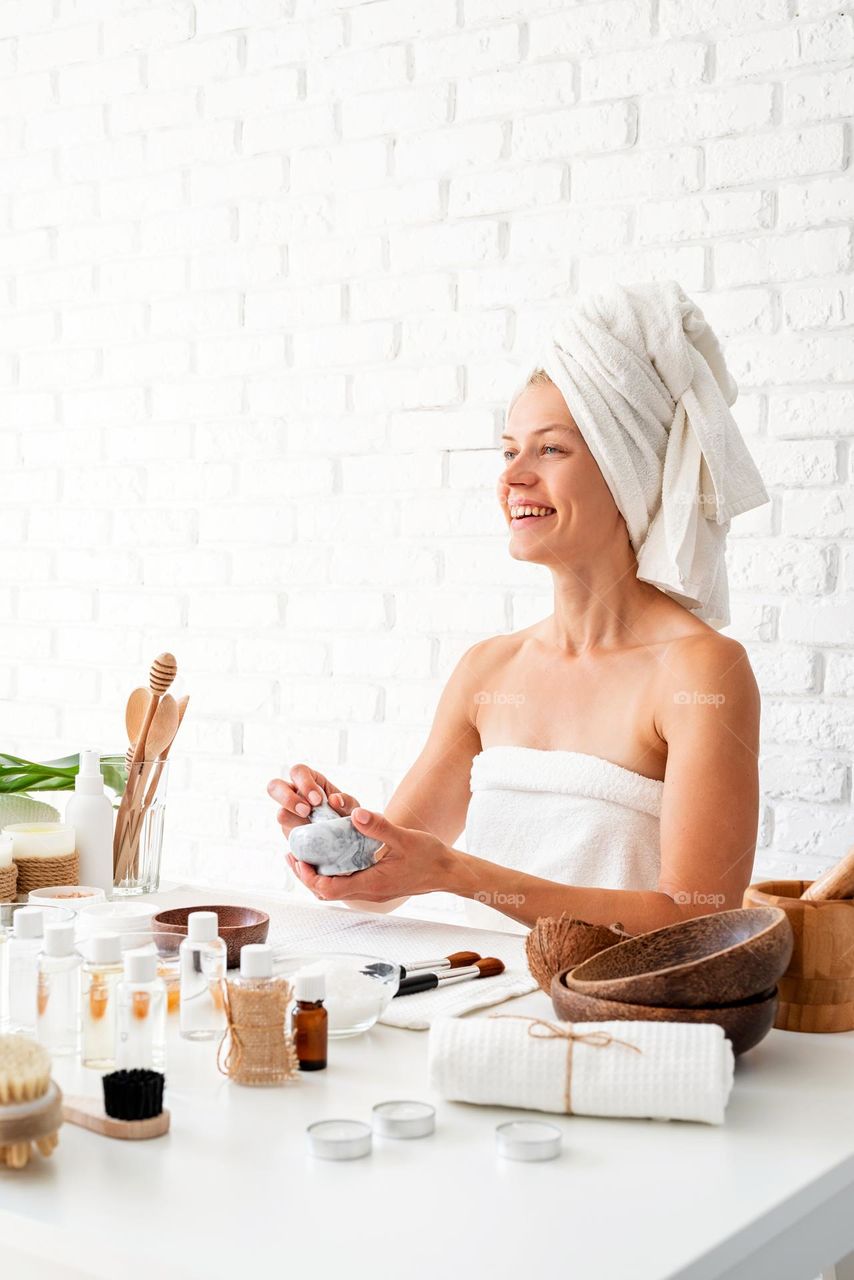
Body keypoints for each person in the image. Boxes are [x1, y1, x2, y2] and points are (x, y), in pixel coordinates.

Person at [267, 281, 769, 935]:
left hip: (615, 1024)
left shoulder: (701, 671)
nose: (511, 477)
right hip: (477, 1008)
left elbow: (699, 919)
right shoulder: (488, 671)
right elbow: (383, 882)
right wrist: (342, 840)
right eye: (509, 451)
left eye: (550, 449)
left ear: (630, 470)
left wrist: (456, 873)